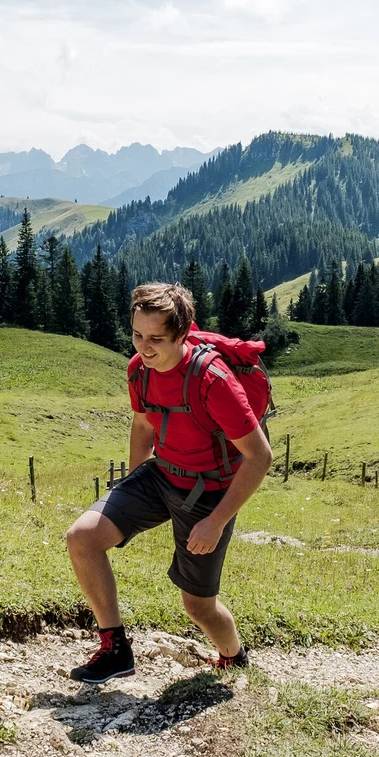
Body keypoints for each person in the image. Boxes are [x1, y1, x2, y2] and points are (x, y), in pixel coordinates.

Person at [62, 282, 273, 683]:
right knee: (82, 538)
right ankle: (115, 649)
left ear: (182, 333)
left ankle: (234, 657)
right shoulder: (139, 371)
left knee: (198, 606)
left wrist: (216, 522)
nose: (144, 347)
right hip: (161, 475)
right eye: (137, 335)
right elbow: (143, 426)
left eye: (156, 338)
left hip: (209, 494)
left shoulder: (213, 381)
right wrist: (129, 491)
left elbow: (260, 457)